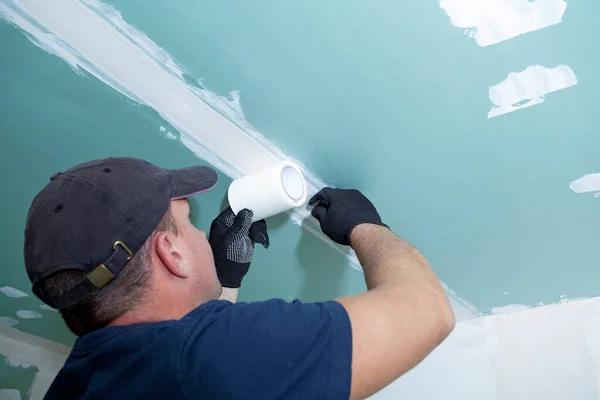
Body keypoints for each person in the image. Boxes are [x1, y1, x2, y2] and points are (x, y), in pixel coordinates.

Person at [24, 157, 455, 400]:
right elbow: (428, 313)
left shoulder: (77, 385)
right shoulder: (202, 360)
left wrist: (225, 279)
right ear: (172, 254)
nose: (196, 233)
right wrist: (364, 226)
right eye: (187, 222)